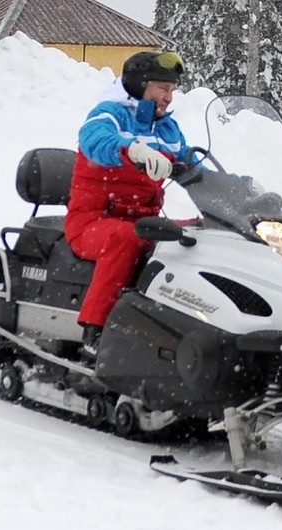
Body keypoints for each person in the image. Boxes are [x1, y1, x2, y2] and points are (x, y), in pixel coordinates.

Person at [64, 50, 193, 365]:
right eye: (163, 88)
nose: (168, 97)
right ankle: (96, 331)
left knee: (195, 235)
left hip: (144, 221)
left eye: (172, 90)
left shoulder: (166, 128)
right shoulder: (108, 114)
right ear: (140, 84)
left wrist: (235, 184)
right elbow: (94, 142)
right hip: (93, 221)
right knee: (127, 239)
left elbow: (192, 161)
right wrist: (130, 151)